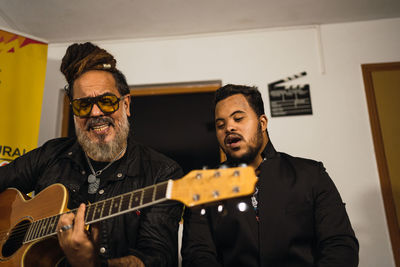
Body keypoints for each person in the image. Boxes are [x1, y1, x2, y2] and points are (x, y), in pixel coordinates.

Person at [0, 42, 183, 267]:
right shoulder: (51, 154)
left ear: (126, 104)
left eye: (106, 101)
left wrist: (94, 264)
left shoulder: (162, 173)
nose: (96, 113)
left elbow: (157, 259)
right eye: (83, 105)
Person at [181, 84, 359, 267]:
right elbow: (197, 255)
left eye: (238, 118)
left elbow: (340, 245)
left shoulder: (311, 175)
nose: (229, 128)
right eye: (220, 125)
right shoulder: (203, 189)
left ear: (262, 123)